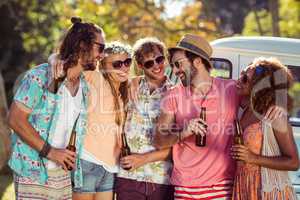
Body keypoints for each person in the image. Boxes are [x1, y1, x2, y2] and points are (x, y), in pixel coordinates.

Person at [154, 34, 284, 200]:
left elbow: (264, 92)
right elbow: (159, 141)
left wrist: (277, 106)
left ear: (197, 61)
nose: (175, 70)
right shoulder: (173, 95)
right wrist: (184, 132)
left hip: (221, 186)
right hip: (185, 187)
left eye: (178, 64)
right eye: (172, 66)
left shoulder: (230, 89)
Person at [8, 17, 105, 200]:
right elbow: (15, 119)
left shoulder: (85, 86)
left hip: (64, 176)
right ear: (83, 44)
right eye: (100, 48)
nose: (102, 54)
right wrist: (51, 152)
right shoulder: (40, 75)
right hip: (33, 172)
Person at [231, 57, 299, 200]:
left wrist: (252, 158)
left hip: (268, 190)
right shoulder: (243, 109)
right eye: (242, 74)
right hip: (243, 187)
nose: (238, 80)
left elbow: (293, 162)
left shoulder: (274, 116)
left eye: (245, 79)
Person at [115, 38, 174, 200]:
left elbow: (180, 145)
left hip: (162, 178)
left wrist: (143, 159)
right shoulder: (128, 87)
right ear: (140, 66)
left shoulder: (177, 93)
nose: (156, 65)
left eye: (159, 59)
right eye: (149, 63)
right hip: (128, 177)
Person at [72, 41, 131, 200]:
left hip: (111, 167)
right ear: (104, 65)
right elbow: (70, 69)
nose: (124, 67)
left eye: (127, 62)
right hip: (87, 161)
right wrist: (54, 58)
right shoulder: (95, 78)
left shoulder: (124, 92)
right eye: (117, 64)